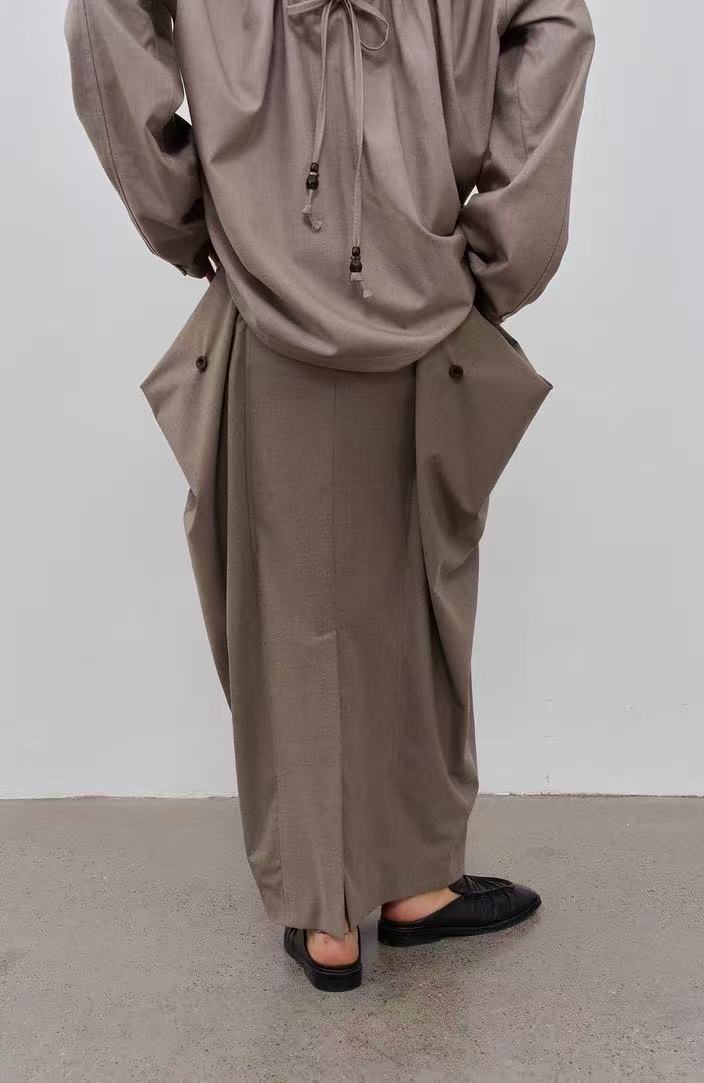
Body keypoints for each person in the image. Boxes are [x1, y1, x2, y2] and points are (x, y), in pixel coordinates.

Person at [66, 0, 594, 992]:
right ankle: (414, 883)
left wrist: (186, 208)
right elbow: (555, 22)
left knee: (288, 609)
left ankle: (327, 916)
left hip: (268, 280)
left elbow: (101, 17)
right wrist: (503, 249)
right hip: (427, 278)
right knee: (418, 594)